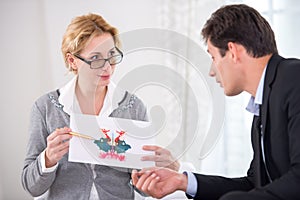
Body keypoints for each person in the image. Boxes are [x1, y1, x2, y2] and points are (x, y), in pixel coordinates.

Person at [131, 4, 300, 200]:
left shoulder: (294, 79)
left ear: (233, 51)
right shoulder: (263, 105)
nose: (212, 71)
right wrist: (183, 182)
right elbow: (254, 185)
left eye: (213, 57)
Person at [21, 13, 181, 200]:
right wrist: (48, 158)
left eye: (111, 56)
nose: (107, 67)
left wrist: (159, 172)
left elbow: (144, 190)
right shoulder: (46, 107)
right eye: (96, 58)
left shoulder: (133, 107)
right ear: (72, 61)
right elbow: (31, 187)